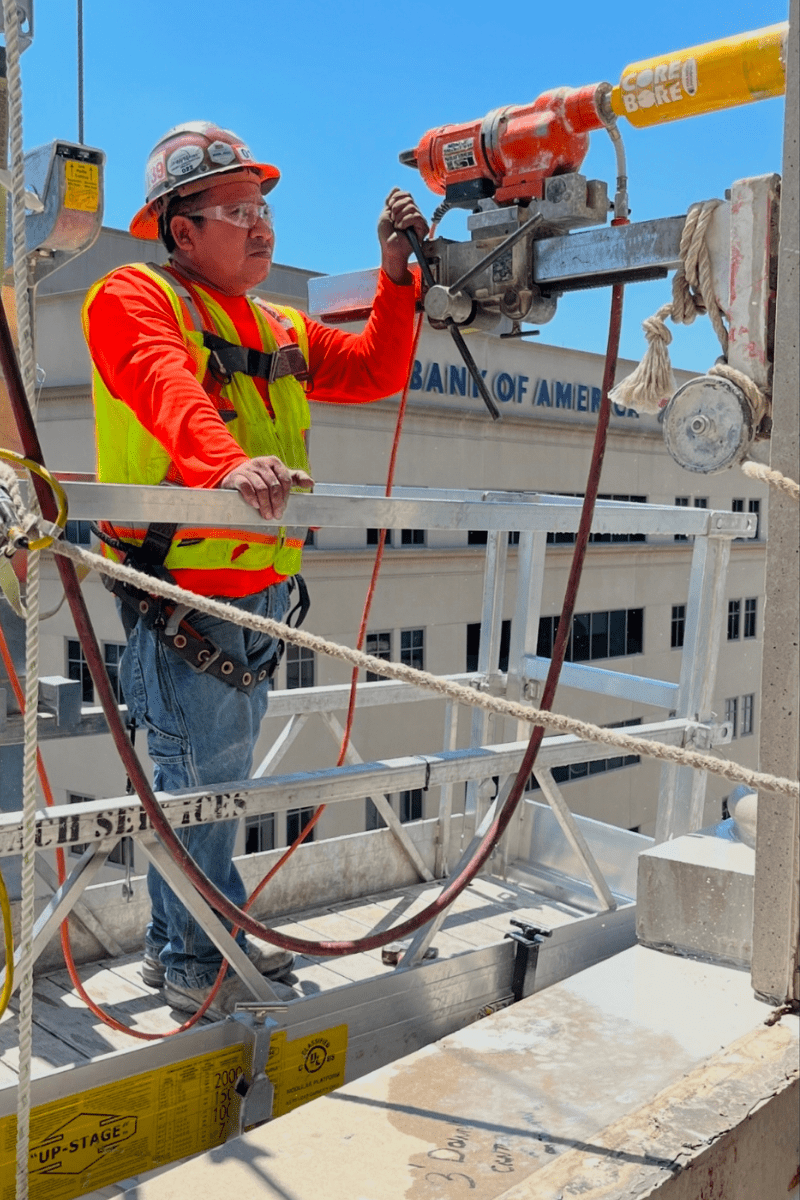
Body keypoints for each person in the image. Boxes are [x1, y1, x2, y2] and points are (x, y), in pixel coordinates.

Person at [82, 121, 427, 1019]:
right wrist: (225, 463)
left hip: (256, 598)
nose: (262, 225)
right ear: (180, 229)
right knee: (205, 791)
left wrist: (394, 280)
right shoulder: (133, 296)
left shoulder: (275, 325)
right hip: (184, 600)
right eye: (238, 210)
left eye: (265, 207)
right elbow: (164, 382)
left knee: (198, 787)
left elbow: (377, 368)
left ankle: (177, 950)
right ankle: (201, 965)